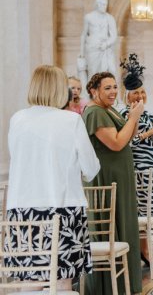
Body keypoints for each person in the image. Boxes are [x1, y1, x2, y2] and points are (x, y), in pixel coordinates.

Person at [6, 65, 100, 291]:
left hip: (22, 212)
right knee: (61, 284)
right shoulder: (70, 121)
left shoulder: (17, 119)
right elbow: (91, 168)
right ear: (60, 89)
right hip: (63, 209)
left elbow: (17, 158)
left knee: (28, 282)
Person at [82, 71, 144, 294]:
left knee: (125, 223)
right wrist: (134, 117)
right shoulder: (95, 112)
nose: (113, 92)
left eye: (114, 87)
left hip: (121, 178)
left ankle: (126, 282)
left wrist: (132, 117)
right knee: (111, 226)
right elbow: (116, 144)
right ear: (94, 90)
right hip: (107, 179)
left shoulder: (109, 110)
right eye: (107, 88)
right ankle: (107, 286)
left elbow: (129, 136)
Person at [120, 53, 153, 266]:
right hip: (137, 173)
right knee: (140, 212)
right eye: (135, 93)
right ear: (127, 96)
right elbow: (129, 142)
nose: (140, 96)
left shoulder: (148, 115)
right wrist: (150, 134)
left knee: (152, 212)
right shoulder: (124, 116)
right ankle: (143, 251)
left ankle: (145, 249)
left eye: (142, 92)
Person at [79, 0, 118, 85]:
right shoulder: (88, 17)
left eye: (106, 5)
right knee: (93, 71)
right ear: (97, 5)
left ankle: (107, 93)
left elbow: (114, 36)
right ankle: (92, 94)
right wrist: (81, 52)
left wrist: (106, 44)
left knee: (110, 71)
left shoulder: (110, 18)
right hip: (92, 48)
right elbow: (84, 35)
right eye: (103, 4)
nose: (105, 7)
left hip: (105, 49)